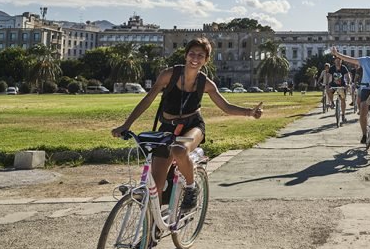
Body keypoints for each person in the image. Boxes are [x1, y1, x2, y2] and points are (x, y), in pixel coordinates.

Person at [111, 38, 263, 210]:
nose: (195, 58)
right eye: (192, 54)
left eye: (200, 55)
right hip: (168, 127)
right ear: (185, 55)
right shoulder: (169, 75)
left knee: (179, 149)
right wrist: (126, 125)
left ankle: (191, 188)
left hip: (193, 125)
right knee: (156, 187)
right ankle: (154, 230)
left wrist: (250, 112)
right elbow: (147, 99)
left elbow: (225, 107)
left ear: (206, 60)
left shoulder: (205, 83)